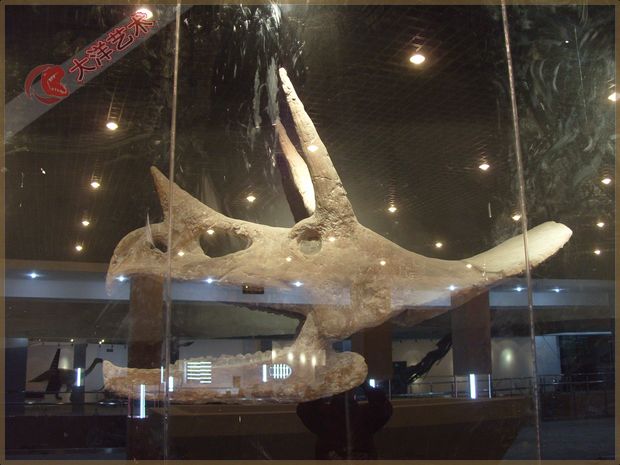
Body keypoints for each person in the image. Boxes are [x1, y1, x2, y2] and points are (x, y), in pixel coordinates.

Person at [296, 383, 392, 459]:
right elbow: (384, 408)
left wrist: (321, 384)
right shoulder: (365, 416)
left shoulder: (323, 416)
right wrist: (365, 385)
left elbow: (305, 408)